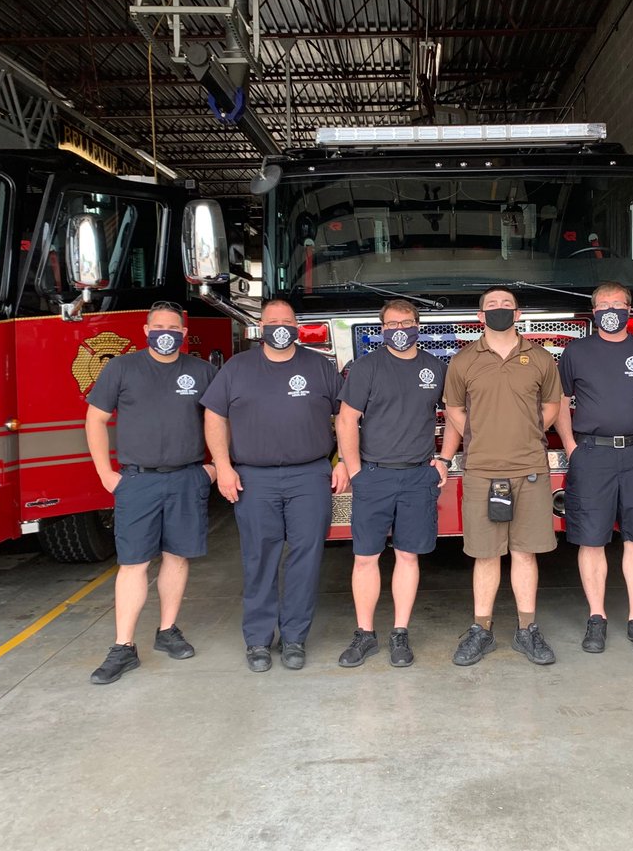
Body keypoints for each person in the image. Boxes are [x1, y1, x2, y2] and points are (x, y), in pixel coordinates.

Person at [201, 299, 348, 673]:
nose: (280, 327)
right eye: (272, 321)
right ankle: (258, 640)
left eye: (287, 321)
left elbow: (345, 416)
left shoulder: (319, 365)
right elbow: (214, 416)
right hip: (254, 478)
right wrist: (223, 466)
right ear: (259, 327)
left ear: (297, 326)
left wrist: (344, 461)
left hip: (310, 476)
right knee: (259, 558)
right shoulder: (237, 368)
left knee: (305, 559)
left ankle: (295, 637)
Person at [84, 300, 217, 685]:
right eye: (158, 327)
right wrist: (105, 474)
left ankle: (167, 630)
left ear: (184, 334)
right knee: (134, 563)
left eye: (173, 328)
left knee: (177, 557)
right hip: (137, 481)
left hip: (186, 478)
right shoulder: (121, 368)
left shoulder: (202, 371)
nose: (166, 334)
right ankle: (123, 646)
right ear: (145, 331)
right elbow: (95, 418)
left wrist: (212, 468)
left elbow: (224, 418)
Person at [439, 287, 562, 666]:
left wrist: (524, 433)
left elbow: (553, 405)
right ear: (479, 317)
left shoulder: (541, 359)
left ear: (518, 314)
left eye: (505, 305)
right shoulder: (463, 361)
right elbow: (454, 408)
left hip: (529, 470)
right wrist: (480, 434)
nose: (499, 310)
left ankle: (527, 630)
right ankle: (482, 630)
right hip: (481, 471)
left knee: (525, 553)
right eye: (491, 306)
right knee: (485, 554)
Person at [555, 282, 633, 655]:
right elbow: (559, 401)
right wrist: (572, 447)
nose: (610, 309)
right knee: (591, 539)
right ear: (593, 311)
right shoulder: (576, 352)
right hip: (592, 455)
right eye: (602, 304)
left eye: (616, 304)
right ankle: (596, 618)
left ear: (629, 309)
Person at [335, 299, 448, 669]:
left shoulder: (435, 368)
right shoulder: (366, 368)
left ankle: (400, 633)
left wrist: (443, 460)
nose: (400, 329)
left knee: (407, 555)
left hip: (418, 475)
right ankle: (365, 634)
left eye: (407, 322)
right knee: (365, 557)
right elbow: (347, 420)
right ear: (382, 329)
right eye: (392, 324)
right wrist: (355, 471)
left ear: (418, 325)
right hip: (375, 475)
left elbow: (459, 414)